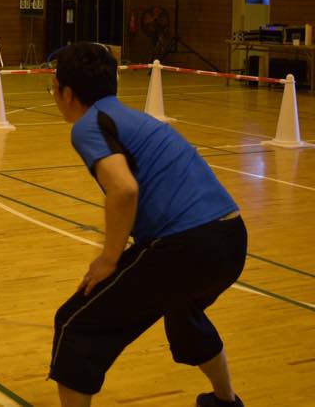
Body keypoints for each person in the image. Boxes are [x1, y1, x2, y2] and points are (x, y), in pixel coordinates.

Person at [46, 43, 247, 407]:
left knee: (76, 325)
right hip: (231, 239)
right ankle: (225, 401)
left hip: (187, 245)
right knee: (184, 312)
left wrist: (108, 259)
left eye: (54, 89)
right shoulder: (133, 118)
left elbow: (124, 190)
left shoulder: (88, 125)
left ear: (68, 94)